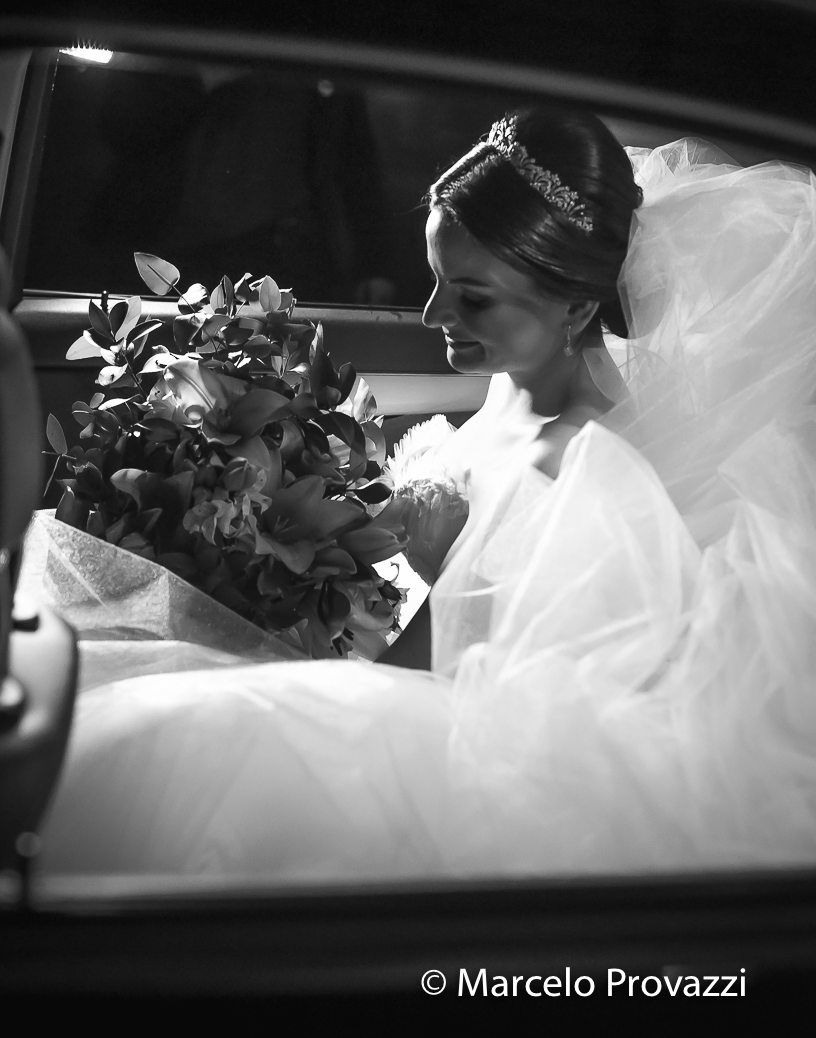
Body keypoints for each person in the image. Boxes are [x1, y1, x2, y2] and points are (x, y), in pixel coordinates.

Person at [36, 106, 816, 883]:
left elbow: (423, 677)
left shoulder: (572, 464)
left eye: (472, 297)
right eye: (437, 276)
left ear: (577, 306)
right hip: (386, 673)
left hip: (436, 738)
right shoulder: (519, 384)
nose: (433, 313)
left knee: (158, 758)